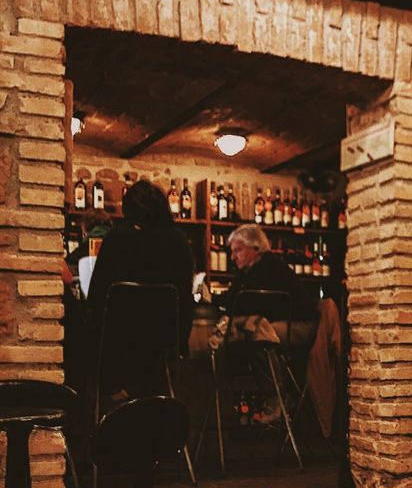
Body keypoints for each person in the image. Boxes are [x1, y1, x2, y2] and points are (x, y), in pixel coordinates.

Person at [86, 179, 195, 398]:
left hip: (118, 341)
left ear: (128, 208)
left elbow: (97, 296)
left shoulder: (115, 238)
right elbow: (185, 296)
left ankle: (110, 401)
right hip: (165, 338)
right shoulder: (179, 240)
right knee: (150, 349)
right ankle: (153, 395)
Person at [217, 224, 320, 422]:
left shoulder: (271, 267)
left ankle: (277, 399)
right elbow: (236, 301)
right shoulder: (246, 272)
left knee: (258, 336)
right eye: (232, 251)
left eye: (238, 250)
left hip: (301, 325)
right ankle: (225, 400)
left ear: (256, 248)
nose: (233, 257)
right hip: (279, 323)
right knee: (247, 333)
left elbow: (256, 305)